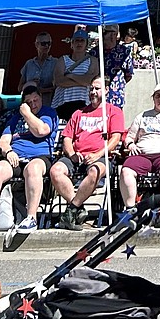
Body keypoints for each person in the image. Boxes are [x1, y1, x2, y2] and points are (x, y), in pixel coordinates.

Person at [0, 85, 58, 233]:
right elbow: (3, 142)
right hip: (16, 156)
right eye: (29, 102)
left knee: (33, 169)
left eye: (35, 100)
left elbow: (41, 131)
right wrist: (9, 151)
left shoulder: (48, 113)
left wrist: (26, 114)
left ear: (41, 98)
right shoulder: (14, 119)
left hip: (39, 156)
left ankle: (31, 218)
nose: (33, 104)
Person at [50, 75, 125, 228]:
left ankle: (71, 210)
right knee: (55, 171)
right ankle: (78, 208)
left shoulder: (114, 112)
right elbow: (67, 139)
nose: (93, 91)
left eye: (97, 88)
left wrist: (97, 154)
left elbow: (115, 139)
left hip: (101, 157)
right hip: (76, 157)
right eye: (91, 88)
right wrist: (72, 154)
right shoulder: (79, 113)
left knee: (95, 171)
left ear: (106, 90)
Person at [55, 27, 97, 114]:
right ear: (72, 43)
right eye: (77, 40)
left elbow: (91, 81)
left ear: (86, 43)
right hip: (62, 103)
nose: (79, 43)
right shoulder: (62, 60)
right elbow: (59, 81)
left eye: (82, 40)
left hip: (84, 103)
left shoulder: (93, 60)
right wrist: (82, 81)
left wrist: (71, 76)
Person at [18, 31, 61, 106]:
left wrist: (42, 90)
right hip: (30, 105)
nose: (47, 46)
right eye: (43, 43)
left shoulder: (56, 63)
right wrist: (30, 84)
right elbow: (19, 88)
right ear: (36, 44)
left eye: (49, 43)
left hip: (48, 104)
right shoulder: (29, 64)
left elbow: (58, 86)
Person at [101, 23, 135, 110]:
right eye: (109, 33)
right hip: (98, 98)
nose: (112, 37)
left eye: (114, 34)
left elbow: (129, 74)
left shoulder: (125, 52)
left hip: (116, 97)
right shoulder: (95, 52)